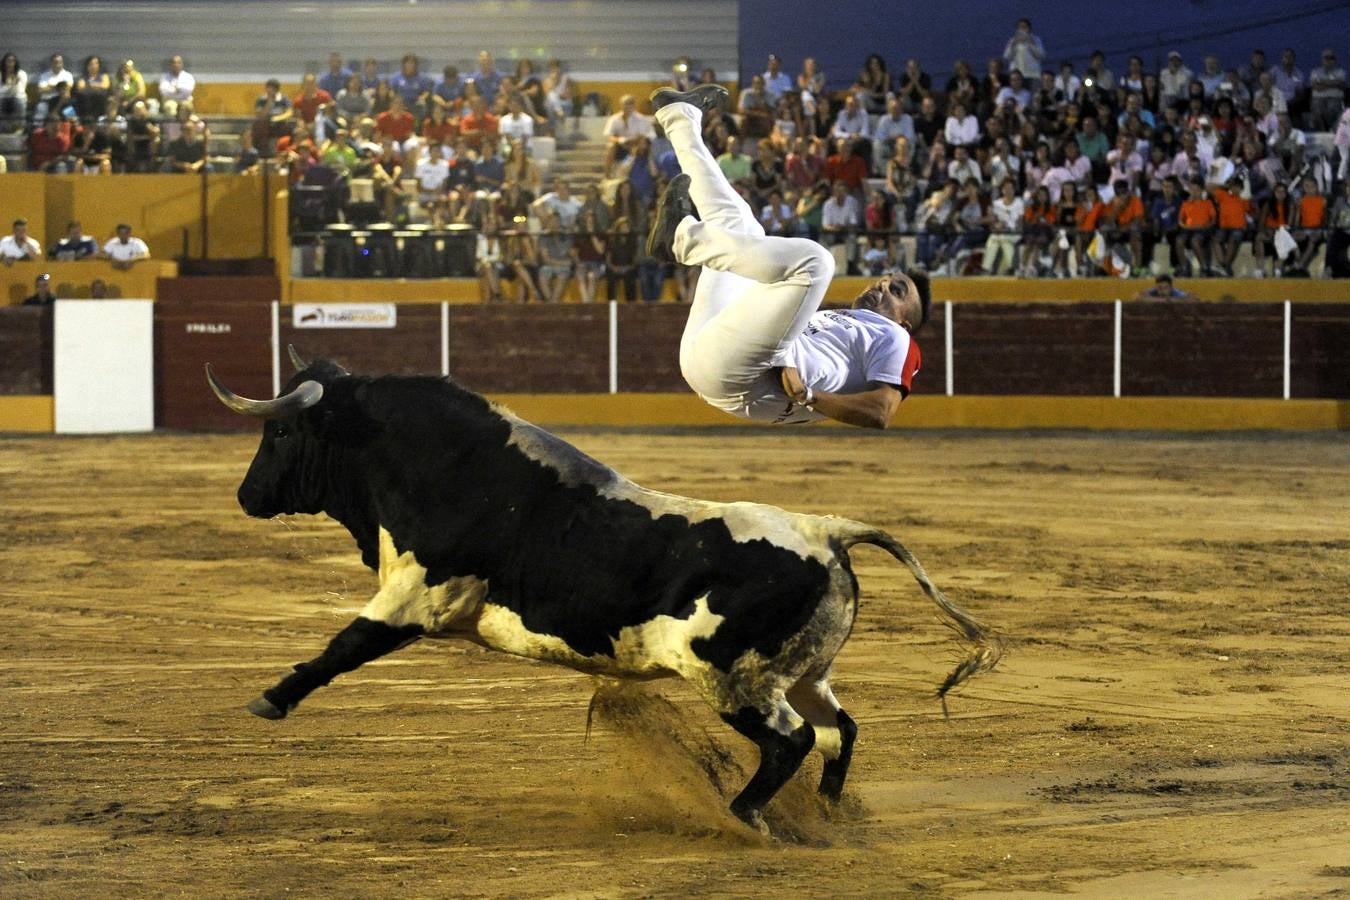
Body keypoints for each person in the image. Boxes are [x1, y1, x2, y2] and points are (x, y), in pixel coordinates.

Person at [644, 85, 930, 429]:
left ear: (904, 323)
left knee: (817, 263)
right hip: (708, 351)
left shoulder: (897, 339)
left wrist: (809, 396)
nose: (881, 286)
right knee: (740, 225)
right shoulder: (840, 323)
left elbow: (882, 412)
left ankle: (681, 240)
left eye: (897, 291)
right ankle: (679, 117)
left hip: (739, 377)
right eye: (884, 281)